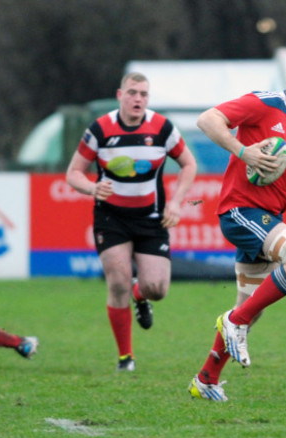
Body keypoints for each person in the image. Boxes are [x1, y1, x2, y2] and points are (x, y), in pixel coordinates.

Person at [188, 55, 286, 402]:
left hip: (269, 218)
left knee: (250, 311)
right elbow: (207, 119)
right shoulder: (264, 103)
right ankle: (233, 321)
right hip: (240, 211)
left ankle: (206, 379)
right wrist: (244, 152)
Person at [66, 72, 197, 371]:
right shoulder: (99, 129)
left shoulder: (163, 128)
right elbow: (73, 173)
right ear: (120, 95)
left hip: (152, 218)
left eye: (143, 94)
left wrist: (176, 203)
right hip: (111, 217)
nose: (138, 99)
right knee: (117, 282)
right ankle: (126, 357)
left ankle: (141, 294)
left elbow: (189, 163)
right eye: (132, 92)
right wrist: (91, 187)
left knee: (157, 289)